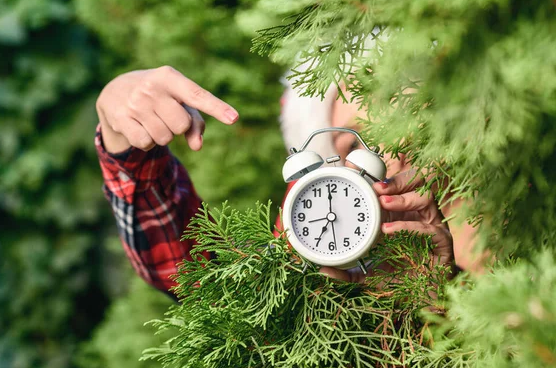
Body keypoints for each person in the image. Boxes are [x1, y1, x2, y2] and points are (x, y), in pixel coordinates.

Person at [95, 66, 462, 294]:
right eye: (357, 144)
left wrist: (446, 297)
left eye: (412, 131)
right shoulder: (309, 263)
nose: (391, 159)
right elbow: (191, 270)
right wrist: (125, 133)